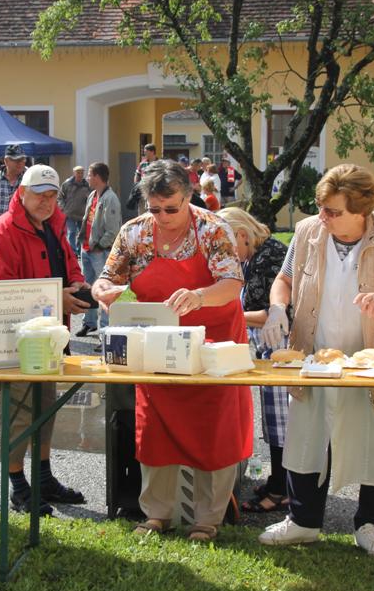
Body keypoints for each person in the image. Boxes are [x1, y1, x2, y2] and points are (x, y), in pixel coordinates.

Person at [257, 163, 374, 556]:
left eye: (333, 212)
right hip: (314, 355)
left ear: (362, 211)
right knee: (307, 436)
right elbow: (285, 280)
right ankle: (303, 522)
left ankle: (372, 525)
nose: (323, 217)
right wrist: (276, 308)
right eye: (321, 208)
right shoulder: (307, 232)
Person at [91, 159, 253, 542]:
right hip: (157, 344)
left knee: (214, 429)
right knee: (155, 426)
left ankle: (207, 519)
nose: (162, 217)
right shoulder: (134, 233)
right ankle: (157, 514)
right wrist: (104, 293)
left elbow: (231, 283)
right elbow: (105, 278)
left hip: (212, 344)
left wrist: (198, 296)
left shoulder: (213, 229)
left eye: (171, 208)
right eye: (154, 209)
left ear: (189, 196)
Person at [0, 164, 89, 516]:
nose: (46, 202)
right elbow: (1, 293)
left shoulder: (54, 224)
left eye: (51, 195)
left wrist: (78, 285)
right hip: (14, 341)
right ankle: (16, 485)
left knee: (44, 407)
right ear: (21, 193)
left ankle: (42, 477)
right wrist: (56, 298)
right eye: (39, 194)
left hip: (47, 336)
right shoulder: (3, 231)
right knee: (14, 411)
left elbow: (69, 263)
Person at [216, 207, 290, 513]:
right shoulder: (258, 254)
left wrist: (225, 311)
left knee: (280, 421)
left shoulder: (268, 257)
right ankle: (278, 480)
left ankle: (282, 489)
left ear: (243, 235)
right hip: (269, 345)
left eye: (228, 246)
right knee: (273, 421)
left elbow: (269, 312)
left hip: (282, 345)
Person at [76, 162, 121, 337]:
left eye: (89, 174)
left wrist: (100, 245)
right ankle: (89, 323)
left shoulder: (111, 198)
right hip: (87, 249)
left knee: (104, 292)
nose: (87, 177)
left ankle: (105, 331)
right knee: (88, 288)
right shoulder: (93, 195)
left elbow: (112, 230)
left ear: (96, 177)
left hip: (100, 251)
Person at [58, 165, 90, 255]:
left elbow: (92, 197)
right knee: (71, 232)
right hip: (69, 213)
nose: (80, 174)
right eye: (78, 172)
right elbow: (60, 197)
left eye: (81, 173)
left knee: (81, 233)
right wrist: (63, 208)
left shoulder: (87, 185)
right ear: (74, 173)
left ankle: (79, 250)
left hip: (82, 214)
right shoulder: (67, 184)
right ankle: (72, 252)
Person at [0, 145, 27, 218]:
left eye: (22, 159)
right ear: (6, 161)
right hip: (0, 227)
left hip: (23, 226)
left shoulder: (29, 178)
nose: (20, 162)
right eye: (16, 160)